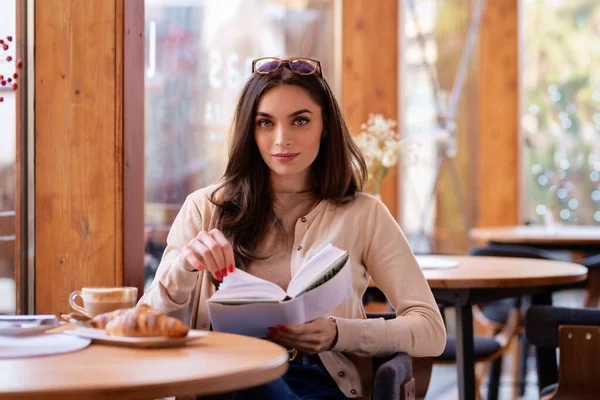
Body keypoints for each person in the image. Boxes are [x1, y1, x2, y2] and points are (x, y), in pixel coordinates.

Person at [139, 57, 446, 399]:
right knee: (243, 374)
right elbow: (144, 324)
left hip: (319, 384)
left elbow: (431, 329)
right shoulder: (204, 208)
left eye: (300, 121)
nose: (282, 139)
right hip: (222, 378)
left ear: (325, 125)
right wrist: (183, 268)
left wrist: (337, 333)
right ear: (249, 130)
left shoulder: (365, 214)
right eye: (265, 123)